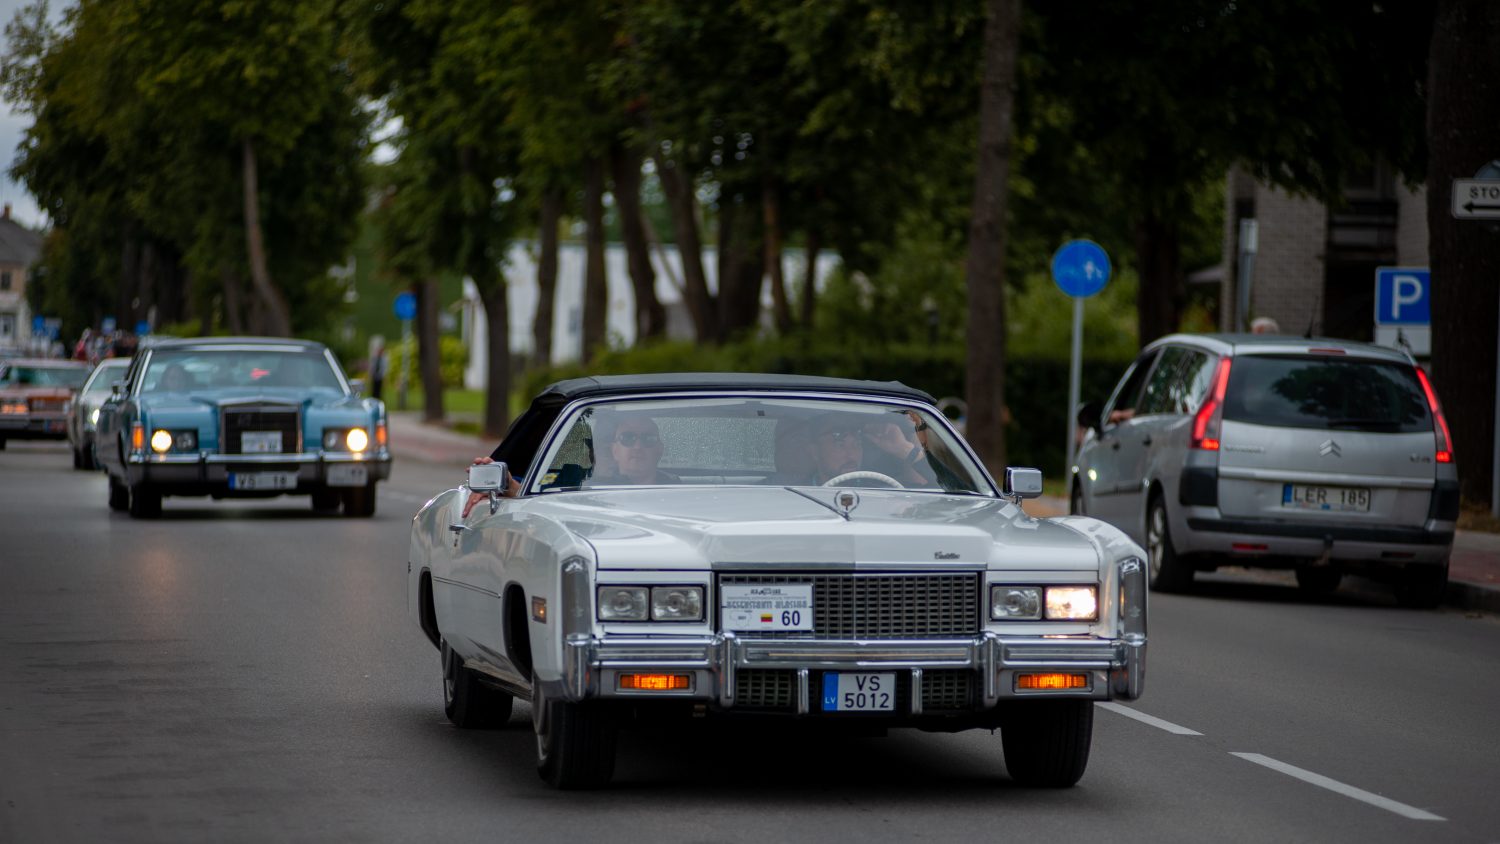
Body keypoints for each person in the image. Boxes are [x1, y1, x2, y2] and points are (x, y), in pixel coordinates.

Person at [592, 416, 678, 485]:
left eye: (648, 439)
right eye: (627, 438)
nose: (637, 447)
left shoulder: (678, 490)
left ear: (660, 450)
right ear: (614, 450)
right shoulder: (593, 491)